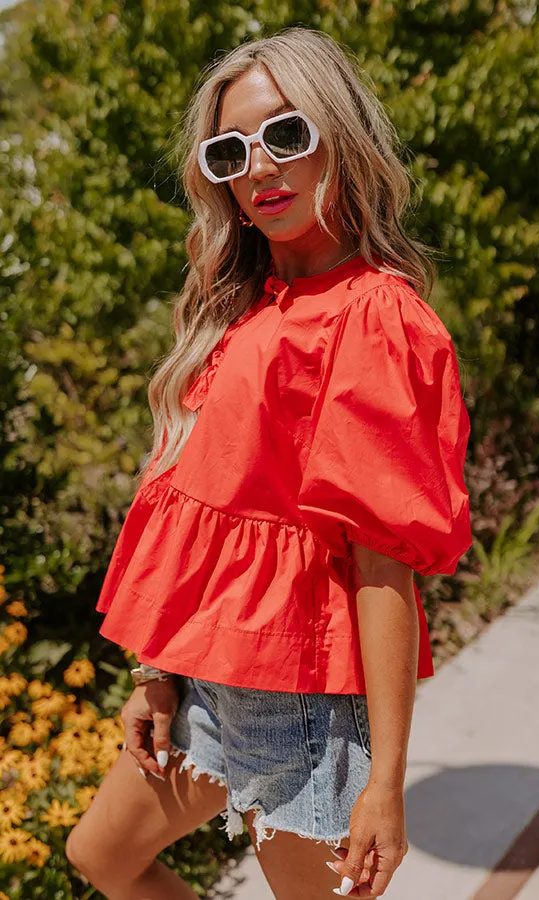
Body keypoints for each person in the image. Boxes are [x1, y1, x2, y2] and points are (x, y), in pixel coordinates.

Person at [66, 25, 472, 900]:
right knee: (99, 856)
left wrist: (387, 783)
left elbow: (381, 560)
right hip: (209, 682)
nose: (259, 167)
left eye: (286, 135)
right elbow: (193, 508)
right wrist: (157, 675)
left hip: (305, 701)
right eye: (230, 152)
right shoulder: (238, 308)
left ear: (341, 138)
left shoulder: (373, 317)